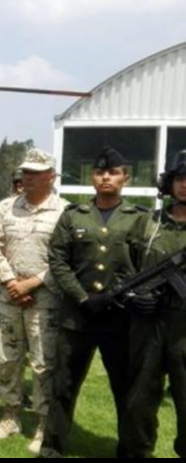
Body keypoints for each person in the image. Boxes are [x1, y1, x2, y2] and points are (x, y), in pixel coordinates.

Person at [40, 147, 145, 458]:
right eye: (100, 173)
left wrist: (121, 297)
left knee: (126, 389)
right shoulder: (73, 216)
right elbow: (57, 260)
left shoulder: (139, 219)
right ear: (92, 178)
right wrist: (82, 297)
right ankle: (52, 448)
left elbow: (144, 267)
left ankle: (129, 450)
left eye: (113, 172)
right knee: (63, 386)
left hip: (120, 318)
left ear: (125, 178)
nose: (105, 177)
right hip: (78, 317)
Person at [0, 149, 68, 455]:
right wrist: (11, 283)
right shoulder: (7, 208)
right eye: (25, 172)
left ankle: (43, 425)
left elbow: (65, 259)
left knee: (43, 364)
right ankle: (10, 417)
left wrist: (32, 283)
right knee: (6, 359)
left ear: (51, 176)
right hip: (9, 297)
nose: (28, 177)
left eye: (35, 172)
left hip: (45, 300)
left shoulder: (64, 211)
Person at [121, 150, 186, 458]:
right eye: (180, 179)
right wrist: (135, 298)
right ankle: (136, 451)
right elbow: (125, 269)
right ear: (168, 184)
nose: (185, 186)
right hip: (147, 325)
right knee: (140, 398)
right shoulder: (147, 224)